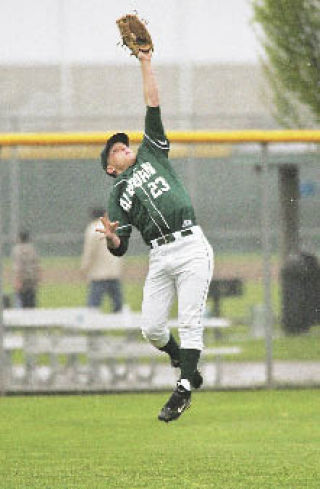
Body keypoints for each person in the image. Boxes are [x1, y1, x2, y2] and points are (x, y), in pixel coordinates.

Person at [97, 50, 214, 423]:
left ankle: (184, 389)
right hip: (161, 257)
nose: (123, 147)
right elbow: (121, 246)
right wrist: (113, 240)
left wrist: (145, 61)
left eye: (122, 143)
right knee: (151, 328)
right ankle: (182, 360)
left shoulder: (151, 153)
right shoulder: (118, 194)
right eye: (115, 150)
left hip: (191, 245)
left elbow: (152, 102)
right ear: (110, 169)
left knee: (191, 319)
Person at [81, 207, 123, 312]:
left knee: (94, 304)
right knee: (117, 304)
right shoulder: (111, 228)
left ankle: (93, 326)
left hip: (98, 273)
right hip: (113, 271)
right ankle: (122, 324)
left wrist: (84, 268)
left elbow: (89, 252)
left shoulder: (92, 229)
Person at [11, 230, 41, 308]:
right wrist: (37, 278)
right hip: (32, 278)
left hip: (22, 279)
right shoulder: (33, 249)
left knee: (22, 301)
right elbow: (36, 265)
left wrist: (17, 280)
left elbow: (18, 266)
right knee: (31, 301)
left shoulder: (17, 250)